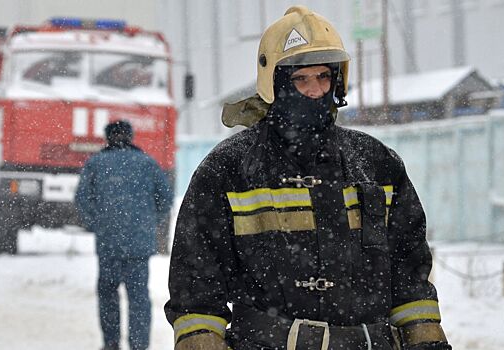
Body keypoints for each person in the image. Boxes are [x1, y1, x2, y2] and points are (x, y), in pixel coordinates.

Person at [165, 5, 452, 350]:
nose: (315, 90)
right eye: (301, 78)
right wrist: (201, 341)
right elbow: (196, 284)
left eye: (323, 77)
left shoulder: (377, 164)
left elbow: (410, 272)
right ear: (274, 82)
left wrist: (425, 339)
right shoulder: (228, 169)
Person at [75, 120, 173, 350]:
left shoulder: (96, 164)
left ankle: (111, 343)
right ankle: (139, 345)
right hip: (139, 245)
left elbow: (82, 199)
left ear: (107, 137)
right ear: (131, 136)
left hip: (108, 244)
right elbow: (165, 198)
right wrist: (149, 222)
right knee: (138, 297)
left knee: (108, 295)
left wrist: (98, 224)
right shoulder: (147, 163)